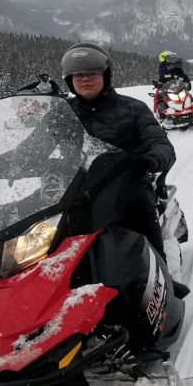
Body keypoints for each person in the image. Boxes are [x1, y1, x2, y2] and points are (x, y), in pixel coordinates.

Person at [61, 42, 176, 259]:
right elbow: (33, 146)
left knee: (141, 209)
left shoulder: (133, 108)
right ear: (70, 81)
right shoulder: (62, 114)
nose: (85, 79)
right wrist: (6, 163)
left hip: (125, 183)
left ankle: (160, 268)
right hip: (73, 187)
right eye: (78, 75)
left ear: (106, 75)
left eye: (92, 73)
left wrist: (148, 160)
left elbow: (160, 143)